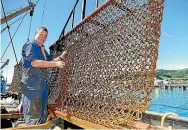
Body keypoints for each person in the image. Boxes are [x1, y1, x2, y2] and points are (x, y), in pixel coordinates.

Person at [21, 26, 68, 125]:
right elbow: (35, 63)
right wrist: (56, 64)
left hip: (42, 87)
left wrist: (61, 57)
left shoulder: (42, 49)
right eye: (41, 34)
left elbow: (50, 61)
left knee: (42, 114)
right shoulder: (30, 45)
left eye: (45, 36)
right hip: (32, 87)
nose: (43, 37)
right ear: (36, 34)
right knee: (33, 117)